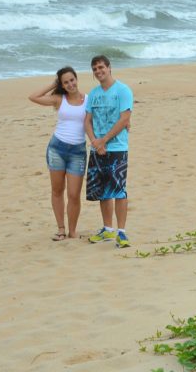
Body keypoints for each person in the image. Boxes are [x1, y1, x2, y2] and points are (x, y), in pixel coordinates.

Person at [28, 66, 87, 241]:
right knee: (57, 190)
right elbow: (33, 97)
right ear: (61, 84)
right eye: (65, 82)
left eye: (72, 80)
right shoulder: (58, 99)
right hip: (57, 149)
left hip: (78, 152)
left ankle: (72, 231)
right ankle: (61, 229)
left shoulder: (88, 99)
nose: (70, 84)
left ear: (77, 79)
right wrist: (54, 82)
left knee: (74, 194)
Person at [84, 54, 134, 248]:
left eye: (101, 67)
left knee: (119, 189)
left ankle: (121, 232)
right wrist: (95, 142)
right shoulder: (94, 93)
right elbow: (87, 121)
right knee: (104, 191)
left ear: (109, 67)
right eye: (95, 69)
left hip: (117, 147)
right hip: (98, 148)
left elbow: (124, 119)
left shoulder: (123, 90)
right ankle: (107, 229)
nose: (98, 71)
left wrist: (103, 140)